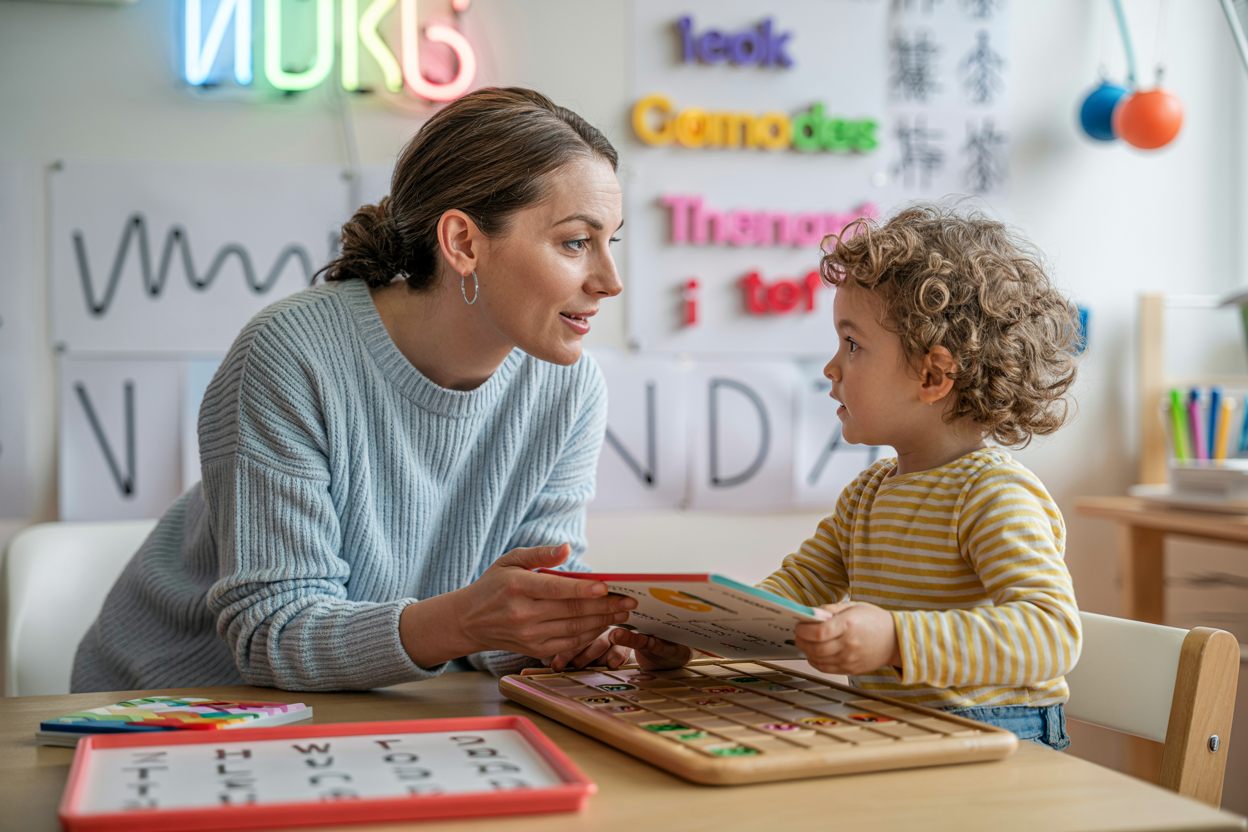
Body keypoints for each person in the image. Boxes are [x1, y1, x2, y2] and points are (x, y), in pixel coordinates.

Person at [71, 86, 667, 693]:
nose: (610, 281)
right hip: (166, 703)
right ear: (463, 243)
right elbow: (271, 633)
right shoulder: (292, 352)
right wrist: (470, 621)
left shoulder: (568, 388)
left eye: (610, 242)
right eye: (575, 242)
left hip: (376, 708)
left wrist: (585, 635)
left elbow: (512, 614)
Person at [603, 204, 1084, 749]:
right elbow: (793, 595)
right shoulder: (867, 496)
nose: (831, 368)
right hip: (904, 733)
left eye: (852, 345)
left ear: (932, 375)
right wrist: (699, 637)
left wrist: (895, 638)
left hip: (1000, 738)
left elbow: (1050, 633)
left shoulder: (993, 494)